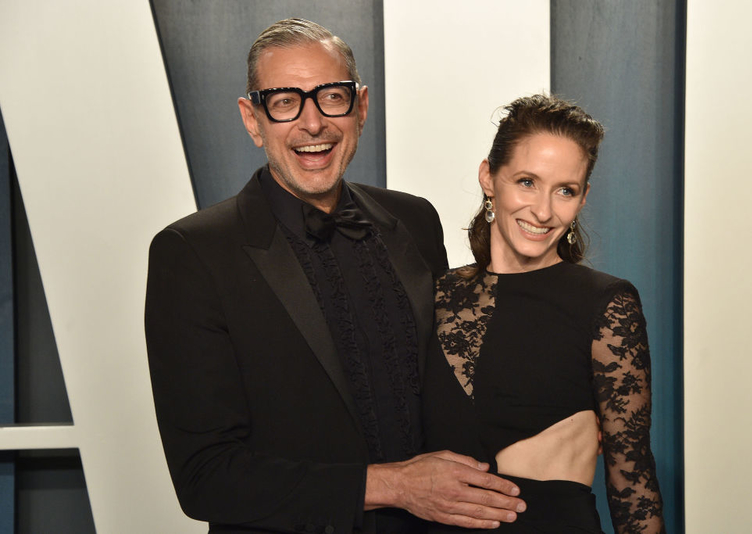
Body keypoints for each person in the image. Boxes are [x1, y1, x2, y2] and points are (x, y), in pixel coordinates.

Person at [144, 18, 525, 534]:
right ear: (252, 120)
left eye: (331, 97)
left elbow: (456, 385)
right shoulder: (191, 252)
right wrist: (397, 486)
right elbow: (204, 477)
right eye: (284, 102)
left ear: (361, 108)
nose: (313, 123)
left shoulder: (415, 220)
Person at [423, 94, 666, 533]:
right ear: (489, 178)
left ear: (583, 198)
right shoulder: (436, 294)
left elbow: (633, 481)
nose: (542, 210)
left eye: (565, 191)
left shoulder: (606, 304)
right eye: (527, 182)